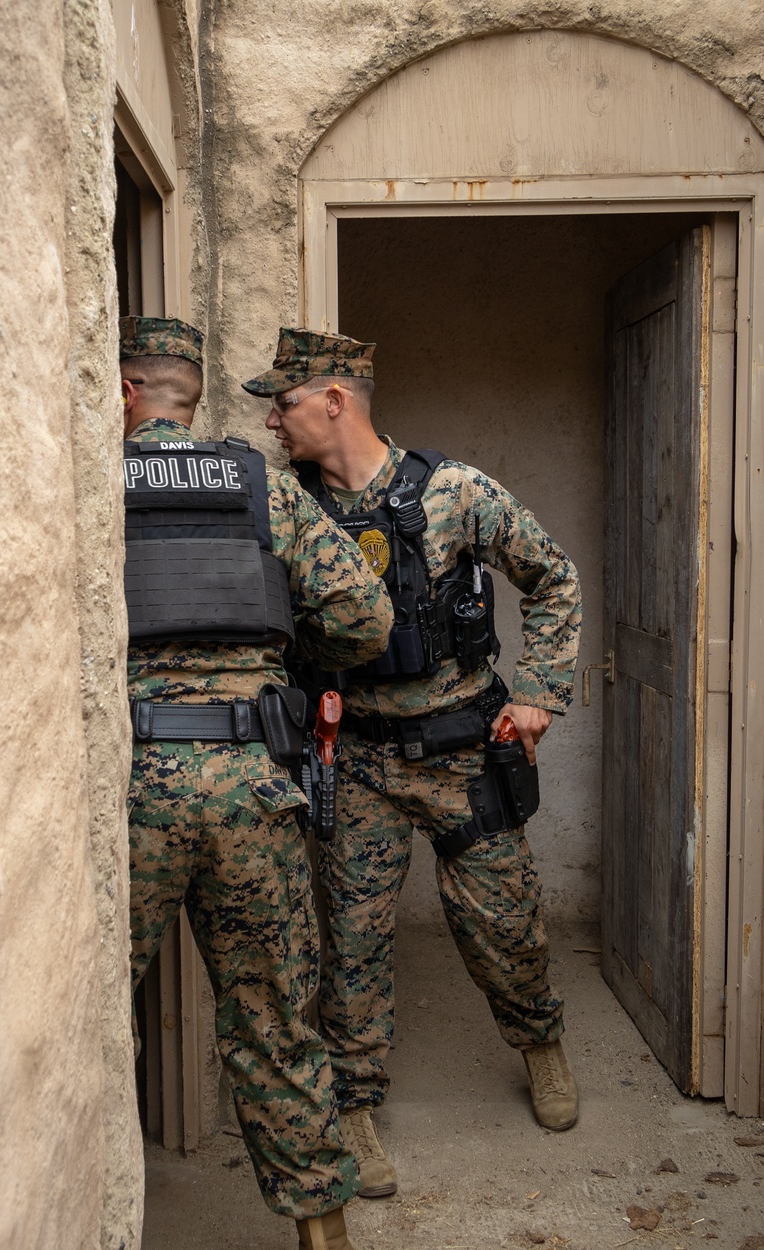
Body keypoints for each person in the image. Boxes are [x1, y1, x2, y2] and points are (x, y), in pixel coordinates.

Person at [242, 328, 583, 1198]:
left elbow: (552, 578)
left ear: (333, 401)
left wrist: (538, 692)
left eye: (282, 403)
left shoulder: (455, 492)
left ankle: (540, 1044)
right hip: (354, 758)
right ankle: (354, 1102)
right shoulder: (288, 505)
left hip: (465, 751)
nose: (272, 422)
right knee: (350, 944)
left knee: (504, 926)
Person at [121, 315, 394, 1250]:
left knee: (95, 1027)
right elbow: (362, 621)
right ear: (192, 395)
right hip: (248, 789)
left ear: (124, 393)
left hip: (130, 790)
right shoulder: (261, 484)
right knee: (275, 1025)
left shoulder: (87, 482)